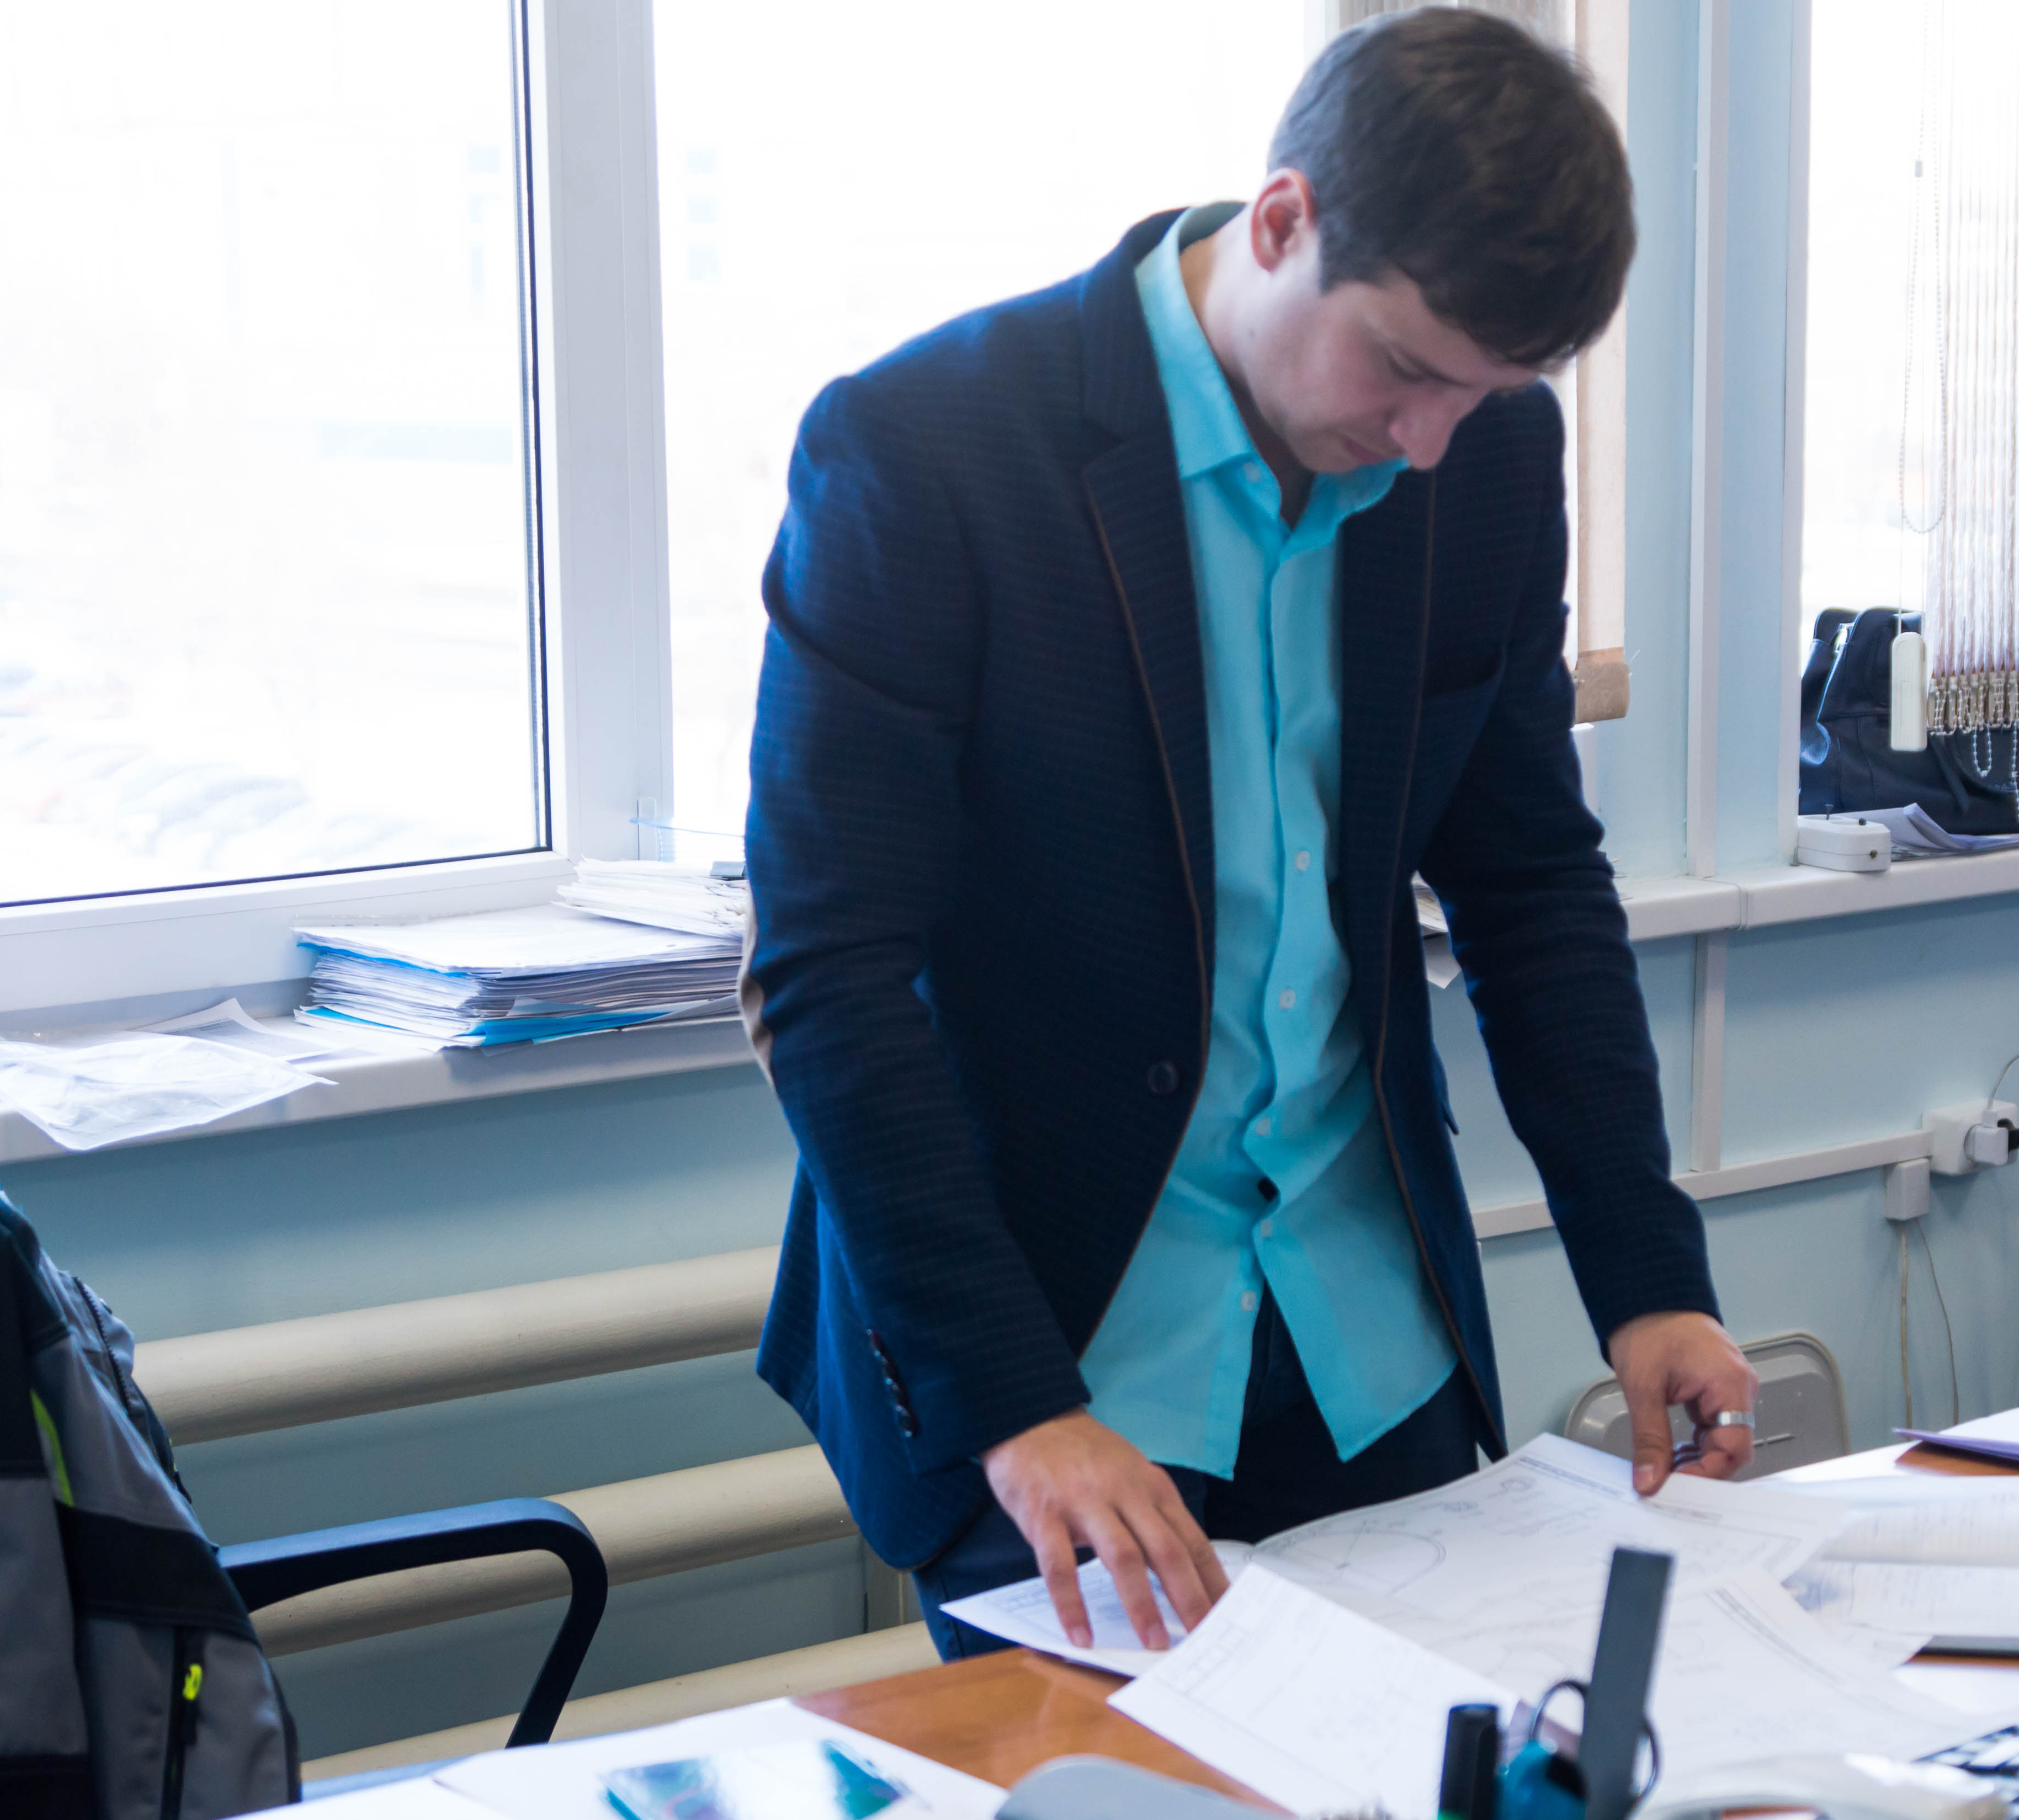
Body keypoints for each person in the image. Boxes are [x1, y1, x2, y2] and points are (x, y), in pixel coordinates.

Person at [742, 10, 1754, 1663]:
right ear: (1282, 221)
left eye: (1486, 391)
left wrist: (1649, 1278)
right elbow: (827, 974)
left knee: (1436, 1819)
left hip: (1367, 1345)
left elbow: (1530, 887)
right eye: (1406, 369)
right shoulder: (924, 452)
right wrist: (1020, 1408)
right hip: (1063, 1371)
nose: (1429, 441)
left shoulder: (1489, 454)